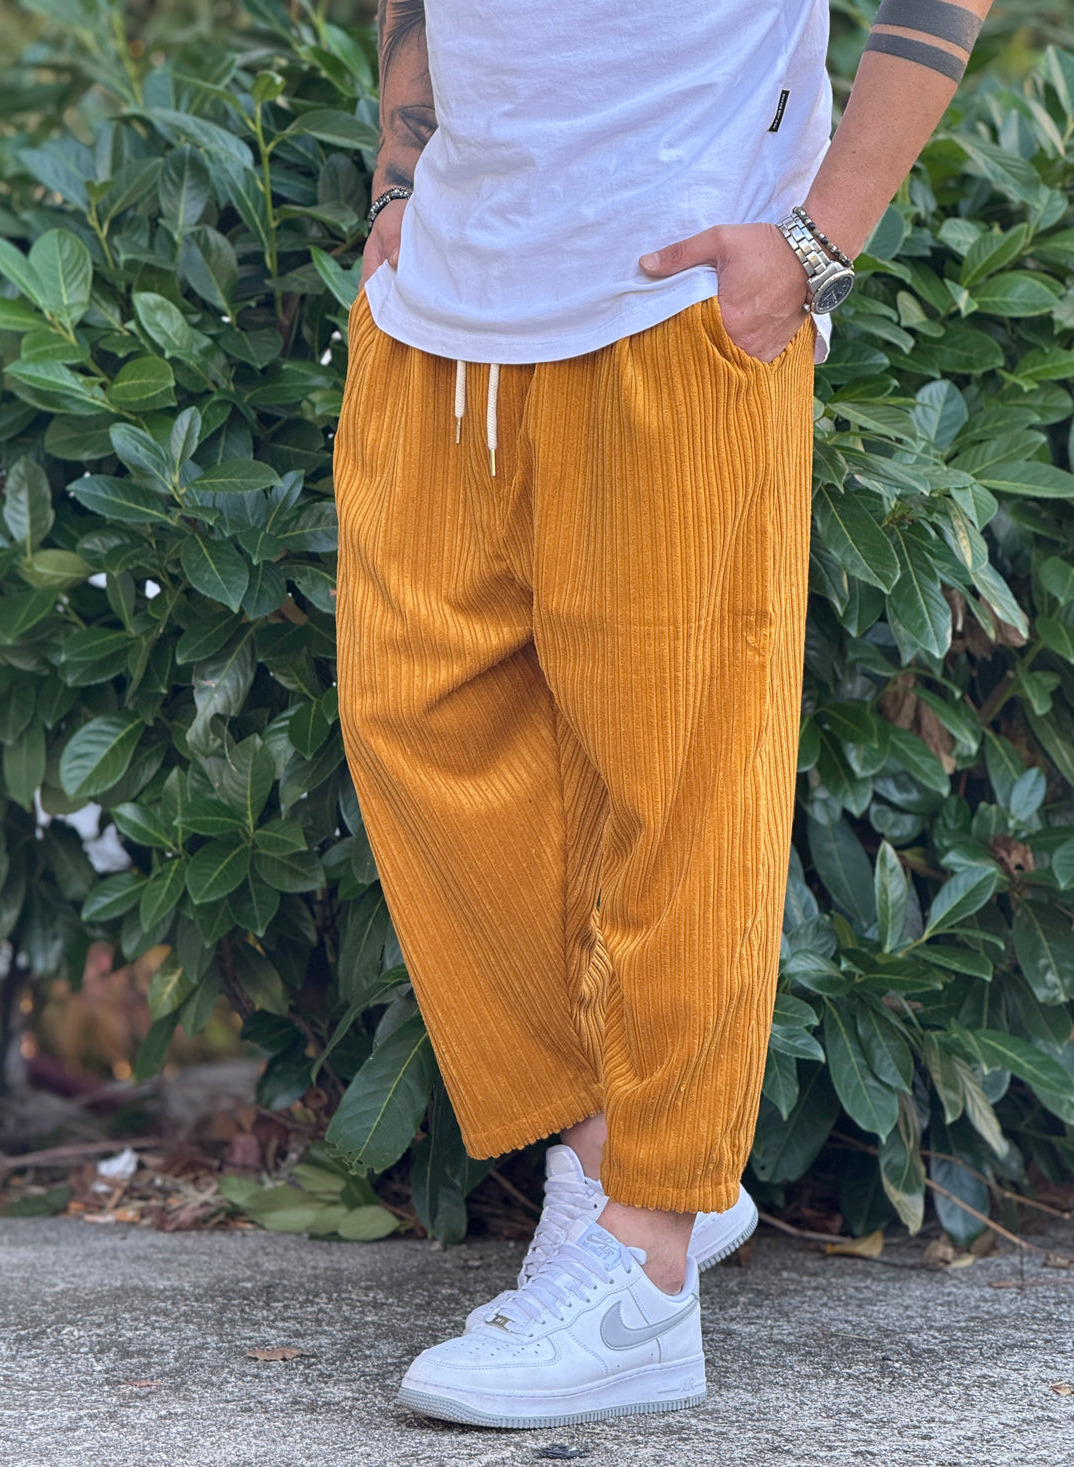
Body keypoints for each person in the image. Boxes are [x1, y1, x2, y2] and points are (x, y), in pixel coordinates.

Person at [332, 0, 993, 1430]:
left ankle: (643, 1267)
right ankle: (617, 1150)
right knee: (411, 716)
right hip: (444, 295)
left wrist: (817, 245)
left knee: (679, 776)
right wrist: (395, 181)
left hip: (679, 298)